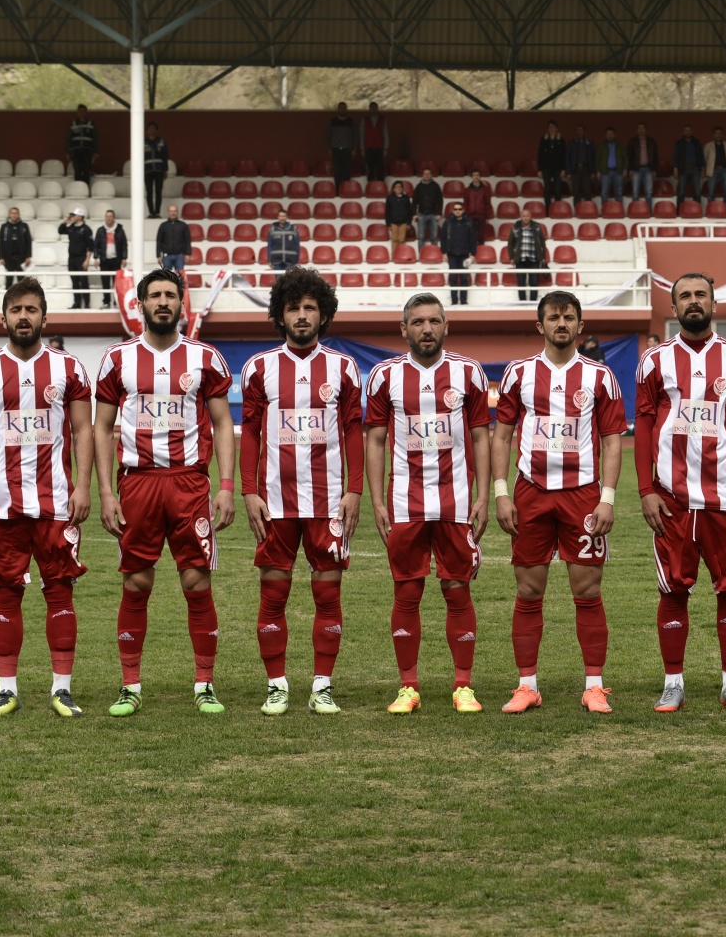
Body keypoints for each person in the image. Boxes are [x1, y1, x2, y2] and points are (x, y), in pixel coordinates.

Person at [93, 268, 237, 716]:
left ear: (181, 304)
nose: (162, 302)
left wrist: (227, 485)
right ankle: (130, 685)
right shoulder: (117, 359)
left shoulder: (204, 358)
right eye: (154, 295)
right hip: (137, 483)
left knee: (196, 581)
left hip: (189, 482)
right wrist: (106, 493)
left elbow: (223, 423)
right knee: (136, 582)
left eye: (170, 295)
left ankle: (204, 683)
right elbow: (100, 427)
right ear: (140, 304)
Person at [492, 290, 627, 714]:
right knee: (528, 590)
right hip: (530, 491)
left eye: (569, 317)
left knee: (587, 589)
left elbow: (612, 441)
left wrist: (607, 498)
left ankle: (594, 685)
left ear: (580, 326)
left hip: (583, 495)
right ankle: (527, 685)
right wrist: (500, 491)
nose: (561, 323)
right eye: (553, 317)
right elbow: (501, 434)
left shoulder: (600, 377)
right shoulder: (518, 373)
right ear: (540, 326)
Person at [0, 278, 93, 719]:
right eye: (16, 309)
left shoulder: (69, 368)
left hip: (57, 504)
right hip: (1, 505)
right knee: (6, 595)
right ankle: (6, 690)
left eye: (32, 309)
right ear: (3, 318)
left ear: (44, 317)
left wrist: (82, 486)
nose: (24, 317)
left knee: (60, 592)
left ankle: (62, 688)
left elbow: (82, 431)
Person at [636, 273, 726, 711]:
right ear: (673, 309)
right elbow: (645, 424)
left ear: (714, 303)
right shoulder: (654, 361)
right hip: (671, 497)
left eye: (700, 295)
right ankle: (674, 682)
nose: (693, 302)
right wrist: (646, 488)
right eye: (685, 296)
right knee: (673, 589)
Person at [240, 268, 362, 715]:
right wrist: (250, 491)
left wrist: (354, 490)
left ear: (323, 314)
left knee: (327, 594)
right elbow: (249, 432)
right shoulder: (260, 367)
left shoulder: (343, 367)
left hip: (328, 501)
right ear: (281, 315)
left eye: (310, 307)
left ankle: (322, 685)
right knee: (273, 594)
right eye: (294, 307)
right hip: (274, 502)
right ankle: (276, 684)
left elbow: (353, 431)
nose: (302, 315)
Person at [366, 293, 492, 714]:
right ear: (404, 329)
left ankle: (463, 687)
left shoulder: (468, 372)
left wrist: (483, 496)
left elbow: (480, 437)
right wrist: (377, 501)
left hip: (456, 502)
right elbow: (377, 440)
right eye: (417, 322)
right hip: (404, 502)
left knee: (457, 589)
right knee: (407, 592)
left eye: (434, 321)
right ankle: (408, 688)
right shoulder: (384, 376)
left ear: (446, 326)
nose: (426, 329)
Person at [442, 202, 477, 306]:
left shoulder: (469, 223)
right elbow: (443, 238)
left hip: (464, 254)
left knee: (464, 279)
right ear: (453, 211)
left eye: (460, 209)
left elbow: (473, 239)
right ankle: (453, 301)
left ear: (463, 210)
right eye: (455, 209)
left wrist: (473, 254)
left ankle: (463, 301)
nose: (458, 211)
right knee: (453, 278)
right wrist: (444, 252)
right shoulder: (447, 223)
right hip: (452, 254)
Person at [507, 211, 546, 303]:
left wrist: (543, 256)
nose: (525, 218)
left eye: (527, 216)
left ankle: (533, 303)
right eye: (523, 216)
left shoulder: (537, 227)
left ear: (530, 216)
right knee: (521, 282)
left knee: (534, 282)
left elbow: (542, 243)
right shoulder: (515, 227)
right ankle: (522, 302)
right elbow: (510, 243)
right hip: (520, 260)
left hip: (534, 259)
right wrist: (512, 257)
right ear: (521, 216)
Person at [58, 208, 93, 310]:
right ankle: (76, 303)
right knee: (75, 282)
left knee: (83, 281)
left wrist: (87, 260)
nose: (72, 217)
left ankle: (86, 304)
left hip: (81, 258)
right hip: (72, 258)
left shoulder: (86, 229)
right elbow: (60, 231)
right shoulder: (72, 227)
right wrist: (65, 222)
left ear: (80, 216)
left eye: (75, 215)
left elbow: (90, 246)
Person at [94, 209, 125, 308]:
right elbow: (96, 245)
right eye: (107, 216)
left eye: (110, 216)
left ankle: (116, 302)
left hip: (116, 259)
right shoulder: (100, 230)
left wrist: (124, 257)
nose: (108, 218)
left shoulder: (119, 230)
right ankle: (106, 302)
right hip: (104, 260)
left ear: (113, 217)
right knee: (105, 282)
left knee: (116, 283)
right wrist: (96, 258)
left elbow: (124, 245)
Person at [0, 206, 32, 287]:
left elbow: (28, 242)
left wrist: (28, 256)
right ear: (9, 214)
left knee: (22, 281)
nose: (14, 215)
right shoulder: (4, 227)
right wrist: (1, 257)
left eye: (16, 213)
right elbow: (0, 242)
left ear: (19, 214)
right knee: (9, 280)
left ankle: (22, 299)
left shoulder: (24, 226)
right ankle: (7, 299)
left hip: (21, 257)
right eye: (12, 213)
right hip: (8, 258)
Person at [326, 102, 356, 192]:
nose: (342, 110)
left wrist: (354, 148)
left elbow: (355, 135)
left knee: (346, 171)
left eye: (344, 108)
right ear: (337, 110)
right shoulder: (332, 122)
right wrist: (329, 148)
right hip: (335, 149)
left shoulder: (351, 122)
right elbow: (327, 135)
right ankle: (338, 191)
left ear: (346, 109)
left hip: (347, 150)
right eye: (340, 108)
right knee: (337, 171)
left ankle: (346, 190)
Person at [673, 125, 705, 208]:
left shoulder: (697, 143)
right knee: (681, 191)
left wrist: (702, 168)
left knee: (697, 192)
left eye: (689, 130)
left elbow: (701, 156)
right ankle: (679, 211)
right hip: (683, 169)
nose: (688, 132)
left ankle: (697, 209)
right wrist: (675, 168)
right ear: (683, 132)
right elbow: (675, 157)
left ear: (692, 132)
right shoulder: (679, 143)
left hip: (695, 169)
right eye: (686, 130)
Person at [538, 120, 567, 207]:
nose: (551, 129)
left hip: (558, 168)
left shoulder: (561, 140)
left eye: (553, 127)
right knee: (547, 189)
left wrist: (563, 169)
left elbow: (564, 156)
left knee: (557, 189)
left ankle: (557, 208)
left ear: (557, 128)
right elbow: (540, 155)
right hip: (546, 168)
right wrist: (540, 169)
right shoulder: (543, 140)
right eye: (549, 127)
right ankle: (548, 209)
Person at [359, 101, 389, 184]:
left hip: (379, 148)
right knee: (370, 168)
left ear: (377, 109)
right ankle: (370, 186)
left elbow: (385, 134)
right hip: (368, 148)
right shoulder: (365, 119)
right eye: (371, 108)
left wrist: (386, 147)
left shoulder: (382, 119)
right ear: (369, 109)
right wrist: (362, 148)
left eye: (375, 108)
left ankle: (381, 185)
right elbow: (362, 134)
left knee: (380, 168)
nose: (373, 109)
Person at [156, 204, 191, 274]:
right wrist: (158, 255)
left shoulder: (183, 225)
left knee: (180, 277)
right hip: (166, 256)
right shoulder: (163, 226)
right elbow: (159, 241)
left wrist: (188, 253)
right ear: (168, 212)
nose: (173, 213)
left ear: (177, 212)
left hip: (180, 256)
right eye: (171, 211)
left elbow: (187, 240)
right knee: (166, 276)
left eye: (174, 211)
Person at [413, 168, 443, 249]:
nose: (427, 175)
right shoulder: (418, 187)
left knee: (434, 236)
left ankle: (434, 254)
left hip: (433, 215)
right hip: (422, 215)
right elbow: (414, 201)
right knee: (421, 237)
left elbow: (440, 201)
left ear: (431, 175)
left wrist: (439, 213)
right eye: (425, 174)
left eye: (428, 174)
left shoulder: (436, 186)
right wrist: (414, 214)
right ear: (422, 175)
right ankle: (421, 255)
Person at [67, 104, 97, 185]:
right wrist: (68, 152)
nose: (81, 113)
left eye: (83, 111)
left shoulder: (91, 123)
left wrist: (95, 152)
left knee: (87, 171)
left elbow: (95, 138)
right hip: (76, 151)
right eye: (80, 111)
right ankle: (78, 189)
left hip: (87, 151)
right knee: (77, 171)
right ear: (77, 112)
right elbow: (68, 138)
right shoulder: (73, 123)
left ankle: (86, 189)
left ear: (86, 112)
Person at [144, 122, 169, 218]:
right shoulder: (142, 142)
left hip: (159, 170)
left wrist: (165, 170)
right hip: (147, 170)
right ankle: (151, 212)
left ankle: (157, 212)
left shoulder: (161, 142)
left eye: (154, 128)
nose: (152, 130)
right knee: (149, 192)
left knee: (158, 191)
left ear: (157, 130)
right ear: (147, 131)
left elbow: (165, 156)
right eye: (150, 128)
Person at [703, 126, 726, 206]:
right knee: (711, 193)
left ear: (723, 135)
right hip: (713, 171)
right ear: (713, 135)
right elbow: (705, 158)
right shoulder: (708, 146)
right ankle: (711, 210)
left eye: (720, 133)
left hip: (725, 170)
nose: (718, 135)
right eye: (716, 134)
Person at [630, 123, 658, 207]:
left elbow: (655, 156)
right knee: (635, 193)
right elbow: (630, 156)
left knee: (648, 193)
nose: (641, 130)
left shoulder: (651, 141)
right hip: (636, 170)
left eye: (643, 128)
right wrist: (630, 169)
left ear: (646, 130)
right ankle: (635, 210)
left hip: (648, 169)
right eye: (639, 128)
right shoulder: (633, 141)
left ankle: (648, 211)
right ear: (637, 130)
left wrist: (654, 169)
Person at [596, 127, 626, 204]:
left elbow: (625, 158)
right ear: (605, 135)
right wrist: (598, 171)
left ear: (614, 135)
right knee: (604, 194)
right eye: (608, 134)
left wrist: (625, 169)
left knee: (618, 193)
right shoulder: (602, 145)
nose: (610, 135)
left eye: (611, 134)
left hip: (618, 172)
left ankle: (619, 211)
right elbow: (597, 159)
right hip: (605, 172)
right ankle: (604, 212)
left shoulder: (620, 145)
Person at [565, 125, 595, 203]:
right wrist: (568, 172)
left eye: (581, 130)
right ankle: (577, 211)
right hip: (575, 169)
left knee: (587, 191)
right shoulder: (571, 143)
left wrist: (593, 171)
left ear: (584, 132)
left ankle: (588, 210)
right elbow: (567, 158)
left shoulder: (590, 143)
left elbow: (593, 158)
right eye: (578, 130)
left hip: (586, 169)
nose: (579, 132)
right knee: (576, 192)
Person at [463, 169, 492, 243]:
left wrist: (488, 215)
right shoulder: (467, 190)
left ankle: (481, 249)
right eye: (474, 175)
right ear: (472, 177)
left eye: (477, 175)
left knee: (481, 235)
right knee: (471, 234)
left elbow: (488, 202)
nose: (476, 177)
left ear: (480, 177)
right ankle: (472, 251)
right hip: (470, 214)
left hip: (481, 214)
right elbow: (466, 203)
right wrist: (466, 214)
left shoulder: (486, 189)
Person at [384, 180, 413, 250]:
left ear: (402, 188)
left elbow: (409, 211)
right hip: (393, 223)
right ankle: (394, 256)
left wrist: (409, 223)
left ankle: (401, 255)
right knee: (394, 240)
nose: (398, 188)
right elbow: (387, 211)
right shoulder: (390, 198)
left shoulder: (406, 198)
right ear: (393, 189)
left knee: (402, 240)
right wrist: (388, 224)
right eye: (396, 187)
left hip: (403, 222)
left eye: (400, 187)